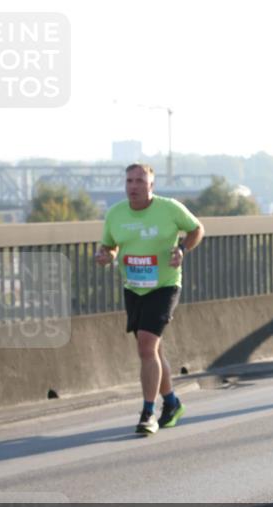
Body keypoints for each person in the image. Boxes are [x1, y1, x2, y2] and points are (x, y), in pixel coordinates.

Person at [95, 163, 204, 434]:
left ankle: (148, 413)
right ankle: (172, 402)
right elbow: (109, 246)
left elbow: (196, 229)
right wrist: (105, 256)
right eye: (129, 181)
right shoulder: (115, 214)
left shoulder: (169, 209)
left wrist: (182, 249)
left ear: (151, 186)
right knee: (152, 352)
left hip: (165, 285)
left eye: (140, 181)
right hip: (134, 287)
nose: (134, 186)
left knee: (146, 346)